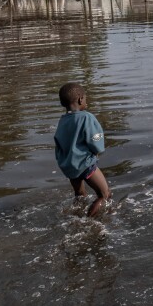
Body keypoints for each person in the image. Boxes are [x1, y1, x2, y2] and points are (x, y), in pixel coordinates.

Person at [54, 83, 112, 217]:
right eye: (85, 98)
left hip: (69, 167)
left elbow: (58, 143)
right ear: (80, 99)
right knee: (105, 195)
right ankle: (88, 221)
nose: (86, 101)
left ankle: (76, 217)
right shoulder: (86, 117)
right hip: (86, 164)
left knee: (80, 195)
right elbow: (96, 141)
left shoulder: (62, 121)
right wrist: (97, 151)